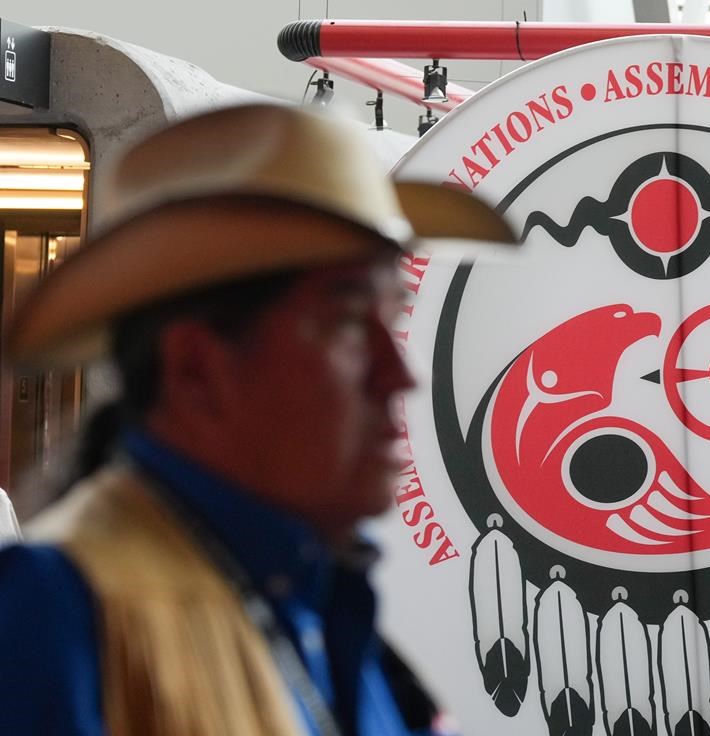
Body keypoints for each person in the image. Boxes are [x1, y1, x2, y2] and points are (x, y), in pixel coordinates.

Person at [0, 103, 514, 735]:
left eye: (393, 315)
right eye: (349, 324)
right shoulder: (60, 619)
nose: (398, 375)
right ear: (197, 369)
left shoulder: (323, 604)